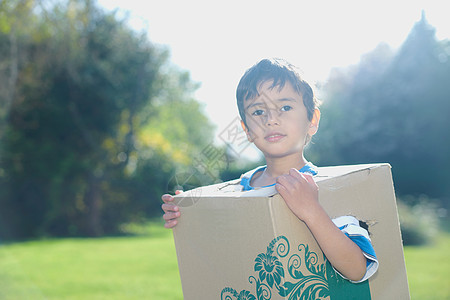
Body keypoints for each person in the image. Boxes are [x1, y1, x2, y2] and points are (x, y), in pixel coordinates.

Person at [161, 58, 378, 283]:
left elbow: (357, 270)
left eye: (285, 107)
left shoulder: (327, 186)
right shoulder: (239, 189)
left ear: (312, 120)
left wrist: (311, 210)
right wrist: (188, 216)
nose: (271, 119)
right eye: (257, 112)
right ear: (246, 130)